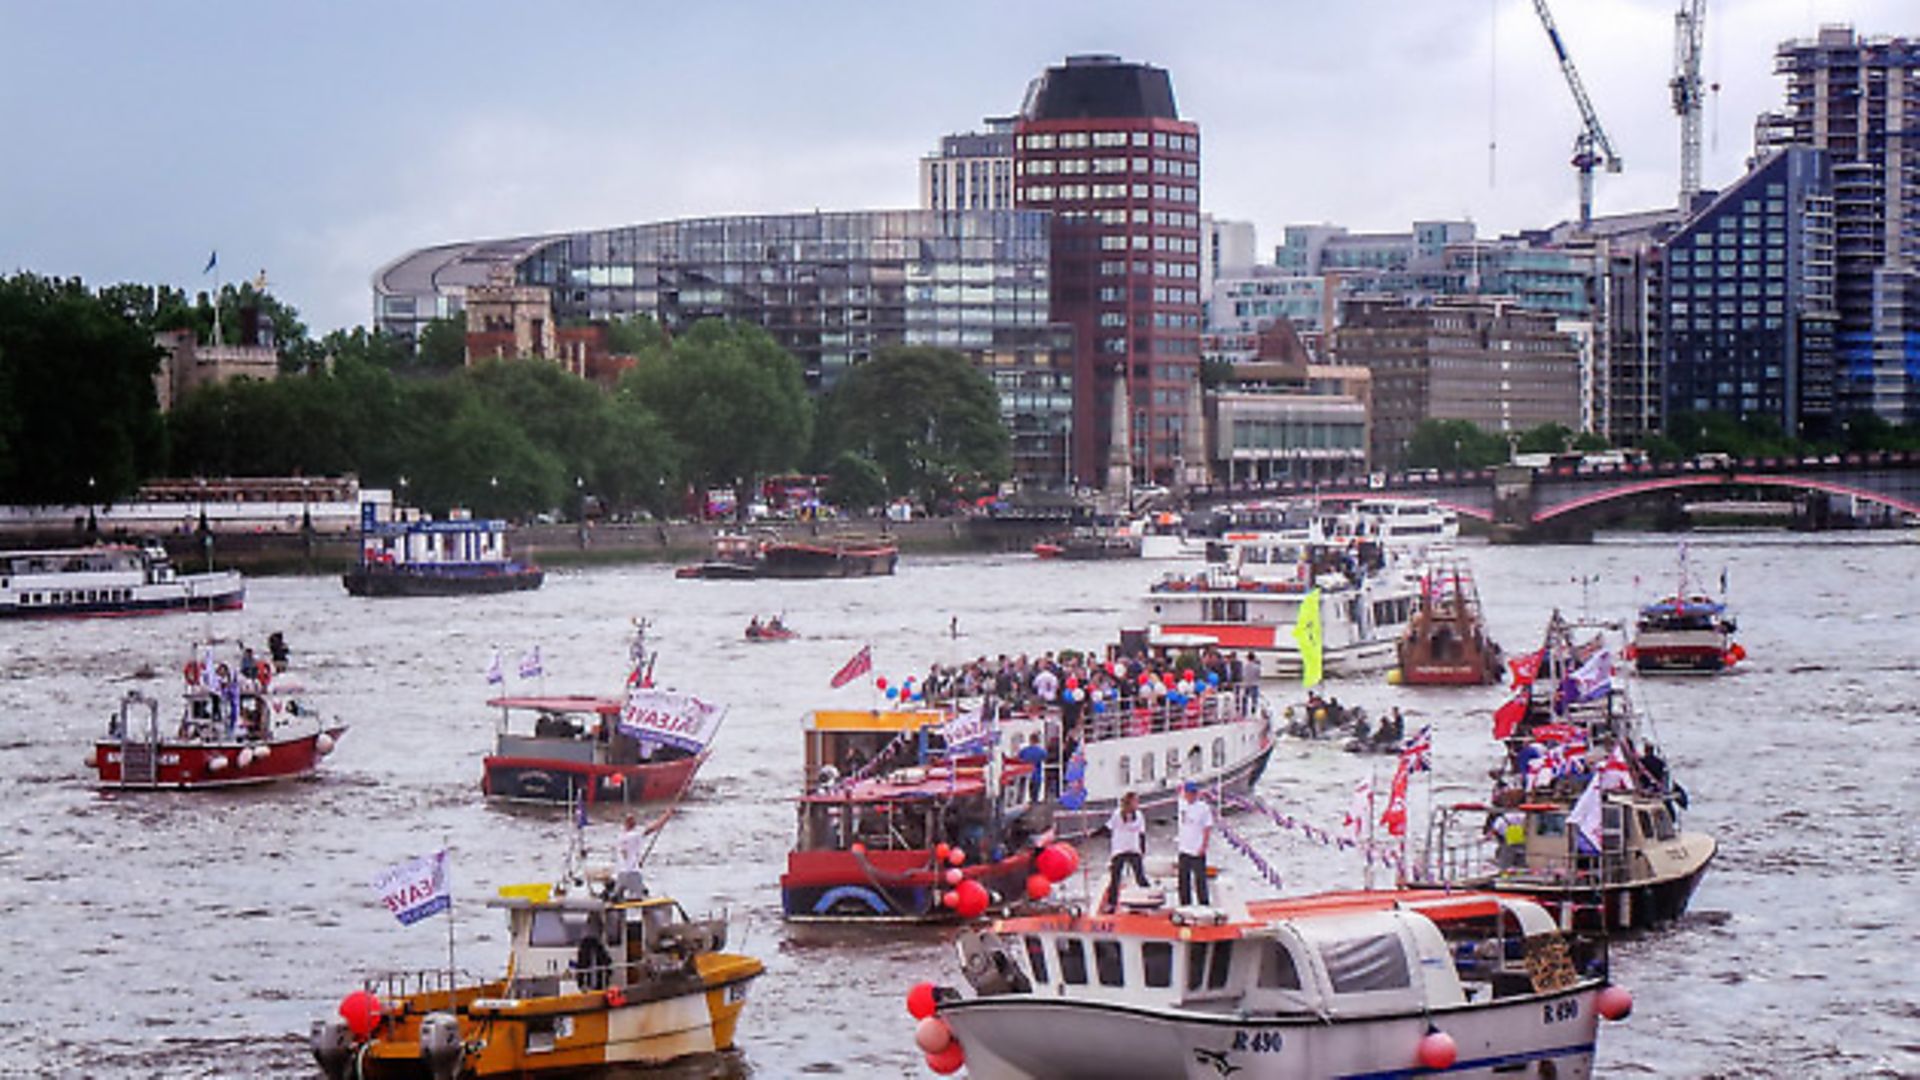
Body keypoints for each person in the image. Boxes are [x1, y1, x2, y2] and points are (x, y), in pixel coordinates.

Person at [1101, 792, 1149, 913]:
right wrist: (1092, 834)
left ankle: (1148, 898)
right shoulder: (1117, 814)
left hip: (1133, 848)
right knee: (1115, 877)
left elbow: (1142, 833)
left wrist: (1142, 849)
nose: (1137, 804)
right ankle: (1111, 903)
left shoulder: (1139, 815)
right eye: (1135, 801)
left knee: (1140, 876)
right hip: (1119, 849)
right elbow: (1108, 828)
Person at [1176, 781, 1215, 907]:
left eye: (1194, 793)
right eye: (1189, 793)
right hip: (1184, 848)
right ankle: (1185, 904)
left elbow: (1207, 827)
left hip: (1197, 848)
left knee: (1200, 879)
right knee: (1183, 880)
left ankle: (1204, 904)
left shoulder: (1203, 808)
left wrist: (1204, 845)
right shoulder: (1181, 803)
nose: (1192, 795)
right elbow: (1177, 789)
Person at [615, 810, 671, 897]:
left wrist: (638, 862)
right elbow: (655, 827)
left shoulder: (620, 836)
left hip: (621, 873)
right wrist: (666, 816)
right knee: (641, 895)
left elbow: (627, 853)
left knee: (618, 895)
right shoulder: (635, 835)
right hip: (632, 873)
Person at [574, 913, 613, 991]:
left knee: (588, 963)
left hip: (591, 941)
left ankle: (588, 984)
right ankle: (594, 984)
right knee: (589, 962)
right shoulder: (592, 942)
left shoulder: (590, 920)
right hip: (592, 940)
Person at [1017, 734, 1048, 804]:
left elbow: (1018, 758)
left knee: (1027, 790)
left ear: (1030, 740)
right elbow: (1045, 757)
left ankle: (1026, 802)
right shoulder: (1041, 751)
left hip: (1026, 773)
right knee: (1036, 792)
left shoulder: (1024, 751)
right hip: (1037, 773)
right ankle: (1035, 801)